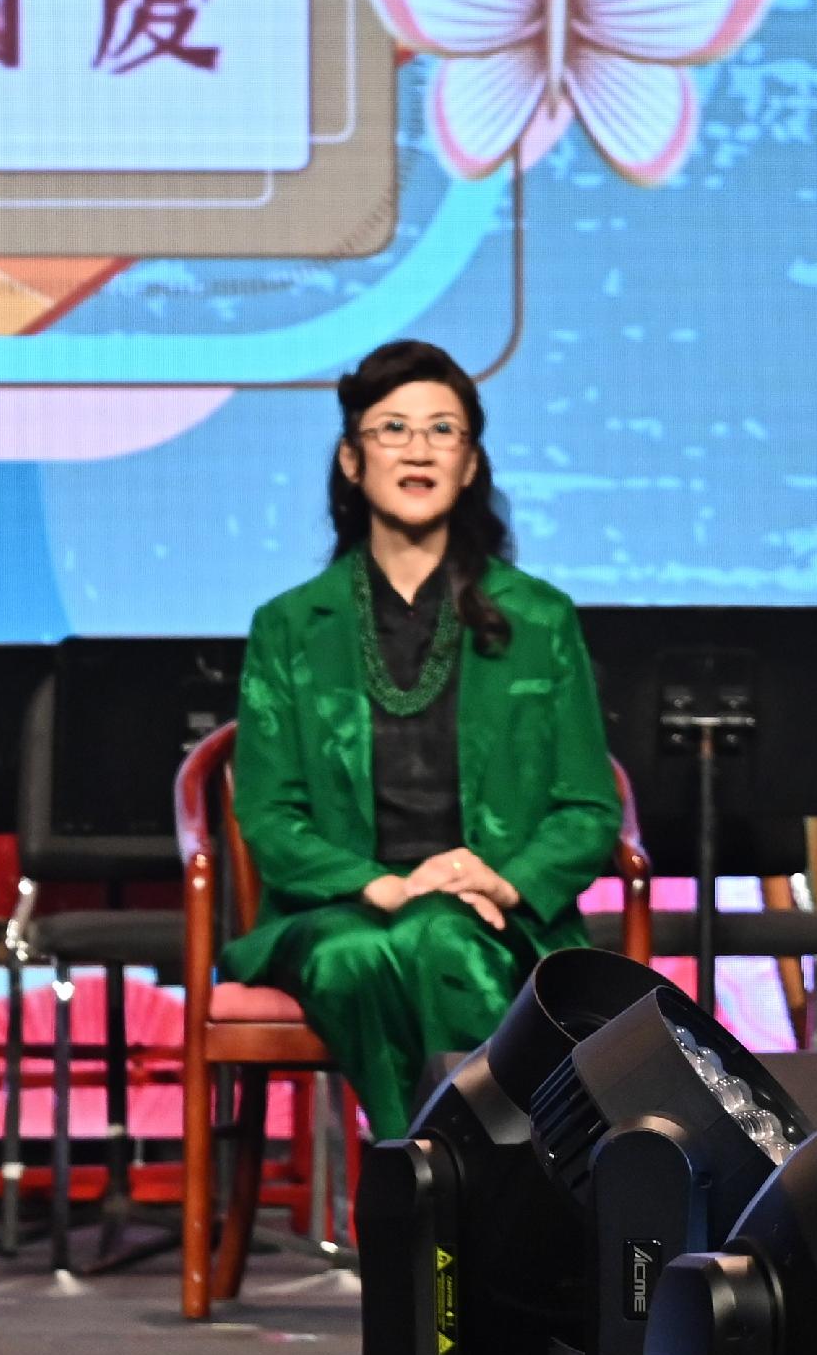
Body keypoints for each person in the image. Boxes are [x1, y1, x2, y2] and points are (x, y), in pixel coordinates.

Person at [222, 339, 620, 1138]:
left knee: (440, 935)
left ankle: (425, 1193)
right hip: (341, 908)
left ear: (470, 465)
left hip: (490, 909)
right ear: (350, 458)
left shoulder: (540, 618)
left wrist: (503, 881)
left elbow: (588, 809)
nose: (418, 448)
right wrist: (379, 883)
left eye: (443, 430)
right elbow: (269, 815)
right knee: (354, 956)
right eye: (392, 428)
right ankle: (451, 1189)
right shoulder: (291, 624)